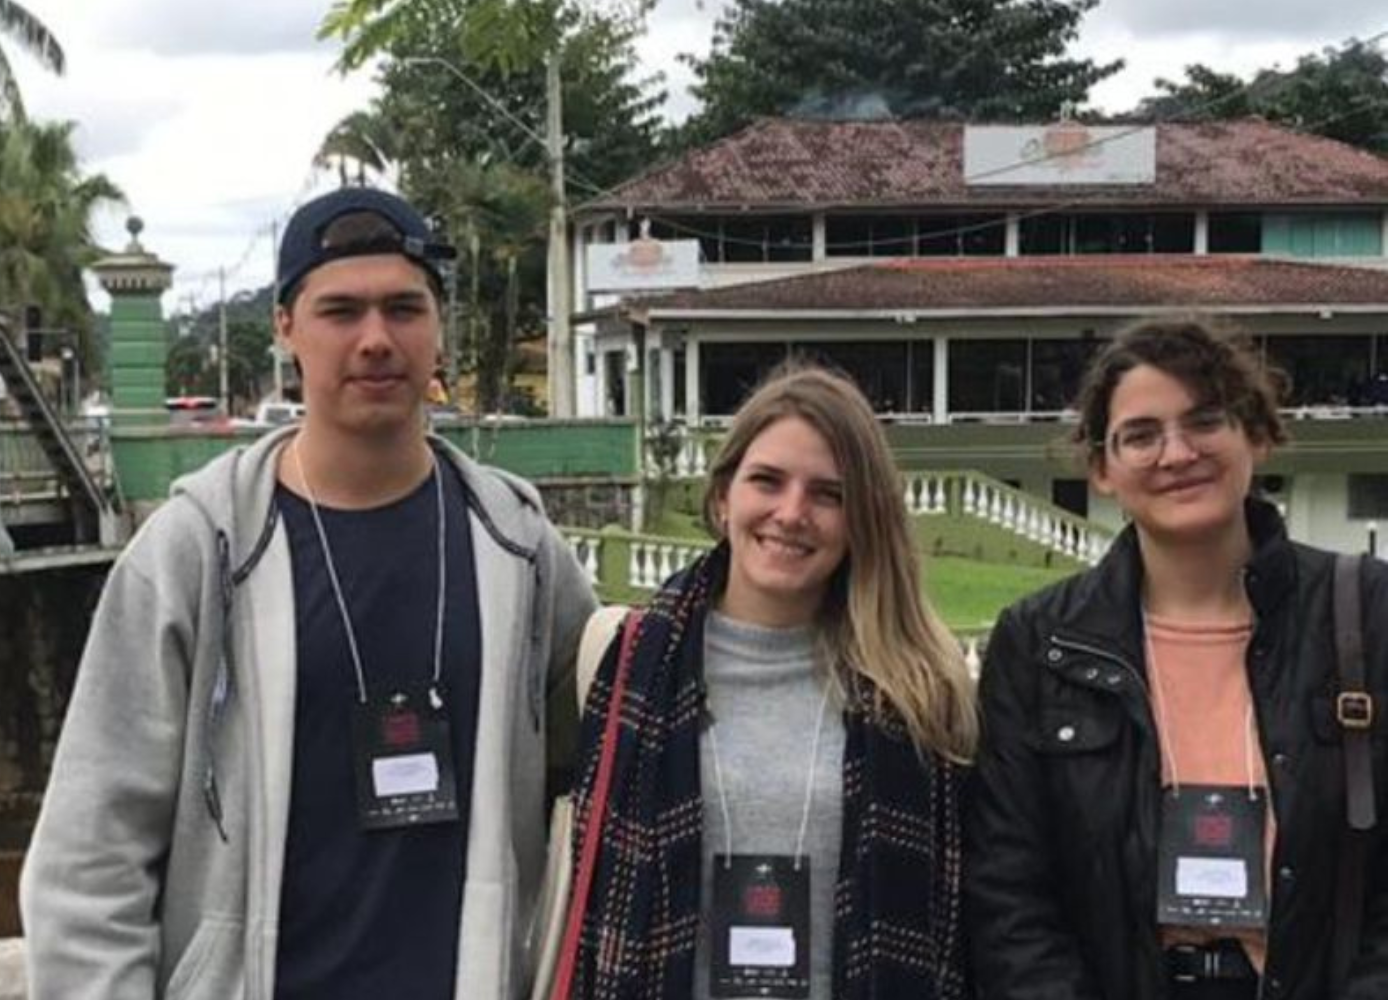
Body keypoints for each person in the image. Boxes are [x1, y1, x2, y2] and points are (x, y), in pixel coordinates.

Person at [20, 187, 597, 999]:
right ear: (286, 327)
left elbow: (617, 742)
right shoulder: (197, 551)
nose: (375, 340)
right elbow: (90, 856)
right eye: (340, 311)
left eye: (404, 307)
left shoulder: (516, 541)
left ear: (438, 327)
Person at [967, 316, 1388, 999]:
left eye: (1204, 421)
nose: (1176, 452)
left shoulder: (1365, 613)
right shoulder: (1040, 641)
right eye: (1140, 435)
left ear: (1254, 433)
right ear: (1102, 469)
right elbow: (1009, 893)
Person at [563, 363, 976, 1000]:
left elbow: (959, 920)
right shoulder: (630, 663)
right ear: (724, 496)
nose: (792, 513)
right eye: (768, 481)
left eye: (828, 495)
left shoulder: (919, 686)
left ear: (862, 516)